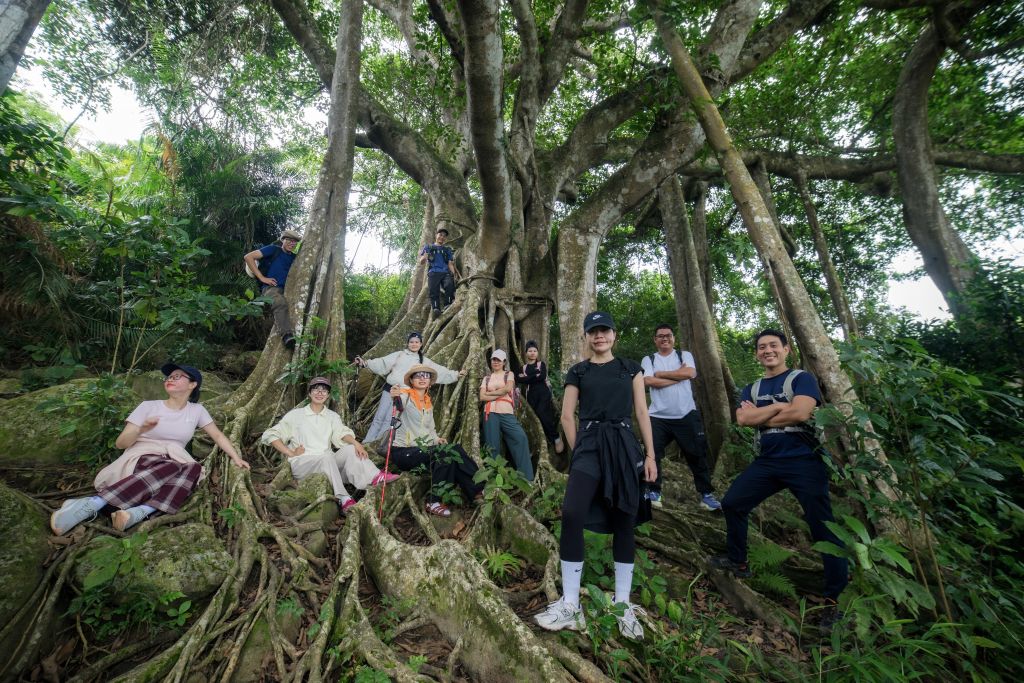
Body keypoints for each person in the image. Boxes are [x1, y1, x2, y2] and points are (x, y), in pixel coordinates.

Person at [534, 311, 657, 641]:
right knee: (572, 512)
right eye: (593, 331)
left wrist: (650, 454)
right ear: (586, 337)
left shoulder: (630, 368)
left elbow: (641, 412)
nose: (599, 336)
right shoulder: (579, 371)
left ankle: (622, 603)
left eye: (604, 331)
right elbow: (566, 414)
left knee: (624, 517)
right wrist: (580, 451)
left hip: (623, 443)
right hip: (589, 444)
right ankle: (571, 603)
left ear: (614, 334)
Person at [710, 329, 848, 619]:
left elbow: (801, 413)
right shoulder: (752, 388)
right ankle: (739, 561)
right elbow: (744, 419)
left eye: (773, 345)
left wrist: (765, 417)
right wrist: (777, 406)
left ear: (786, 349)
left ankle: (835, 597)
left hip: (805, 460)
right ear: (757, 354)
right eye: (762, 347)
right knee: (734, 502)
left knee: (822, 526)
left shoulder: (801, 379)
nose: (767, 350)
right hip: (768, 461)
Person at [50, 363, 251, 535]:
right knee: (172, 467)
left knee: (195, 468)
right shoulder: (148, 406)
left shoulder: (197, 410)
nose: (170, 379)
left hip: (174, 460)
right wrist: (141, 429)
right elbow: (121, 443)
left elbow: (216, 435)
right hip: (142, 457)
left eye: (177, 376)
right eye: (169, 376)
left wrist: (236, 458)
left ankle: (138, 512)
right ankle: (93, 504)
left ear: (192, 384)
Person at [261, 377, 400, 514]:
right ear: (309, 393)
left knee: (350, 450)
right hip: (303, 463)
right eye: (316, 389)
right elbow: (271, 434)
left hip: (327, 462)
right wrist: (290, 453)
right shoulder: (296, 415)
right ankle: (343, 498)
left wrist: (356, 443)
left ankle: (376, 476)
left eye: (324, 390)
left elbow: (341, 433)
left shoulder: (332, 416)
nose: (320, 392)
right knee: (326, 457)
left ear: (328, 395)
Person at [640, 324, 721, 511]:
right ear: (655, 340)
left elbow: (690, 372)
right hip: (657, 416)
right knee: (652, 454)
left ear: (673, 338)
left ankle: (706, 495)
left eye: (668, 335)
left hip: (686, 414)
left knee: (697, 455)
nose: (664, 339)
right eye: (660, 336)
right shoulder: (649, 359)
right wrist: (678, 376)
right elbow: (649, 381)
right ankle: (653, 492)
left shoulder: (684, 356)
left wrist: (662, 375)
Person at [387, 364, 484, 517]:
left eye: (425, 375)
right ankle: (438, 499)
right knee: (449, 452)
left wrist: (437, 439)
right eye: (417, 375)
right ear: (411, 380)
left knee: (450, 454)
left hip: (423, 451)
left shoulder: (428, 403)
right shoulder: (406, 396)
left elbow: (430, 429)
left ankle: (475, 493)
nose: (422, 378)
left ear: (430, 381)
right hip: (404, 452)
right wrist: (394, 394)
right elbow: (397, 398)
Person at [354, 332, 465, 444]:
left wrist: (455, 375)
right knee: (379, 417)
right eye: (411, 342)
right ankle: (367, 442)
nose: (414, 344)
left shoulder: (423, 361)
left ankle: (379, 444)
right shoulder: (399, 354)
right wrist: (365, 363)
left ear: (421, 344)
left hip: (404, 395)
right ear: (408, 343)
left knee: (390, 419)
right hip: (389, 389)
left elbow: (438, 370)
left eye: (417, 342)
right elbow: (382, 363)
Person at [479, 349, 533, 481]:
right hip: (490, 413)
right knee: (492, 446)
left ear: (504, 362)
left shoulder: (509, 374)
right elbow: (481, 397)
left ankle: (527, 479)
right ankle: (494, 481)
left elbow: (508, 389)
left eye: (499, 360)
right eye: (493, 359)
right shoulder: (486, 378)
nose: (496, 362)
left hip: (506, 412)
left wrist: (490, 394)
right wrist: (498, 393)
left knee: (520, 438)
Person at [243, 228, 301, 350]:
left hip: (289, 290)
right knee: (279, 303)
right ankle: (287, 336)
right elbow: (248, 257)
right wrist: (262, 277)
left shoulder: (295, 257)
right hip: (271, 288)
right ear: (283, 240)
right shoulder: (274, 250)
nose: (292, 243)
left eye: (295, 241)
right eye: (289, 240)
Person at [515, 340, 564, 454]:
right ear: (526, 353)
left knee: (542, 413)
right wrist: (532, 376)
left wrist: (527, 377)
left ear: (537, 353)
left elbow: (541, 377)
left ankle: (556, 438)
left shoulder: (541, 364)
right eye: (530, 351)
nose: (532, 353)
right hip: (531, 395)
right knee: (535, 416)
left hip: (543, 393)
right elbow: (519, 379)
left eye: (534, 351)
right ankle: (543, 440)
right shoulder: (523, 367)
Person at [417, 227, 458, 314]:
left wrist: (454, 274)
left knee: (449, 285)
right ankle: (436, 308)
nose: (442, 237)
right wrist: (424, 257)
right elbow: (421, 261)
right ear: (436, 235)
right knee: (434, 290)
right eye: (440, 235)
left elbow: (450, 263)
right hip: (433, 272)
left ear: (445, 238)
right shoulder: (429, 247)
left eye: (444, 236)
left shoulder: (447, 250)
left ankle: (448, 304)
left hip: (445, 272)